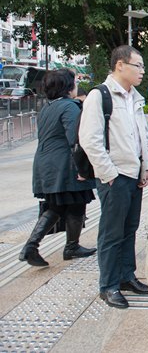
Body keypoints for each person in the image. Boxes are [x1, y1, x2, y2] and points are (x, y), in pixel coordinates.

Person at [79, 45, 148, 309]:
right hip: (115, 177)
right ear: (120, 65)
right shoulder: (100, 96)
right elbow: (90, 140)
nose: (142, 71)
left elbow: (142, 136)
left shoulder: (135, 96)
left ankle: (126, 276)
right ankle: (109, 285)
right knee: (111, 233)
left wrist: (147, 166)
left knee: (129, 229)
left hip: (134, 175)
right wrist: (109, 174)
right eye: (139, 65)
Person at [20, 69, 97, 267]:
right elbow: (76, 139)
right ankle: (70, 246)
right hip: (65, 164)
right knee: (75, 202)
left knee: (58, 205)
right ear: (68, 87)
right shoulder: (69, 107)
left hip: (46, 163)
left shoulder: (47, 108)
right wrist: (84, 168)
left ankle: (32, 246)